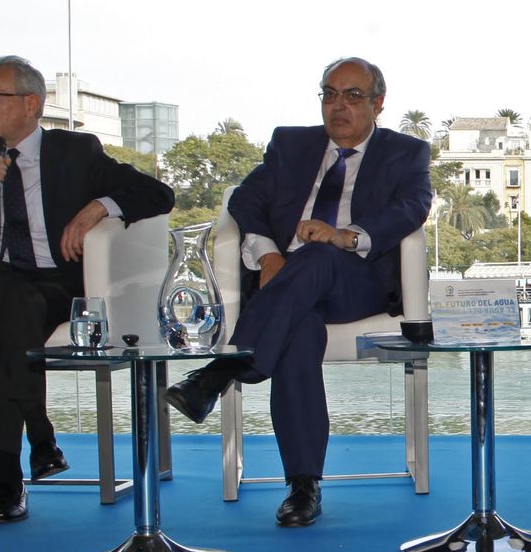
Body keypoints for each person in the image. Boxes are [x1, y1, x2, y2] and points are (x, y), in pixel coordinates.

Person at [165, 58, 431, 527]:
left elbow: (413, 206)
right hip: (284, 282)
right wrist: (268, 256)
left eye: (352, 95)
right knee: (298, 330)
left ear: (378, 104)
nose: (338, 106)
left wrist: (344, 236)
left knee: (318, 254)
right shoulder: (291, 144)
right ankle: (303, 486)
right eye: (329, 94)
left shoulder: (405, 152)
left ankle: (221, 370)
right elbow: (244, 200)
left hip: (356, 279)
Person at [0, 55, 175, 525]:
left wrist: (99, 207)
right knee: (5, 295)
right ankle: (39, 439)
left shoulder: (76, 152)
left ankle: (11, 471)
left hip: (51, 285)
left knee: (11, 318)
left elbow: (158, 194)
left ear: (31, 104)